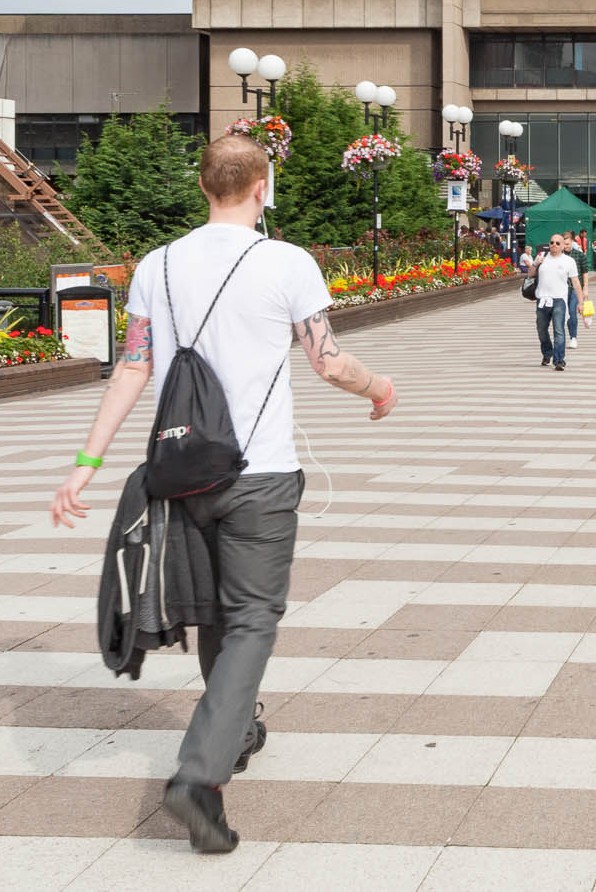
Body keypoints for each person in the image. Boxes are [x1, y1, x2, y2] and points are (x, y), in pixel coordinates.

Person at [48, 134, 398, 855]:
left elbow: (132, 371)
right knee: (250, 619)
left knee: (217, 609)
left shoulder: (157, 265)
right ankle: (198, 778)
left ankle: (235, 730)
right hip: (259, 476)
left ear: (203, 186)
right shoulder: (286, 261)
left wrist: (85, 463)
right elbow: (328, 362)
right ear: (262, 186)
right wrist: (379, 385)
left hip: (179, 473)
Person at [533, 234, 584, 370]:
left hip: (559, 300)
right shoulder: (542, 257)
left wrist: (580, 302)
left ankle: (559, 360)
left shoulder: (569, 261)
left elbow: (576, 283)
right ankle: (547, 353)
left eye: (557, 243)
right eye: (552, 242)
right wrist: (535, 263)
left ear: (563, 246)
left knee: (559, 330)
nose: (554, 245)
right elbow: (530, 274)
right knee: (541, 330)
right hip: (542, 299)